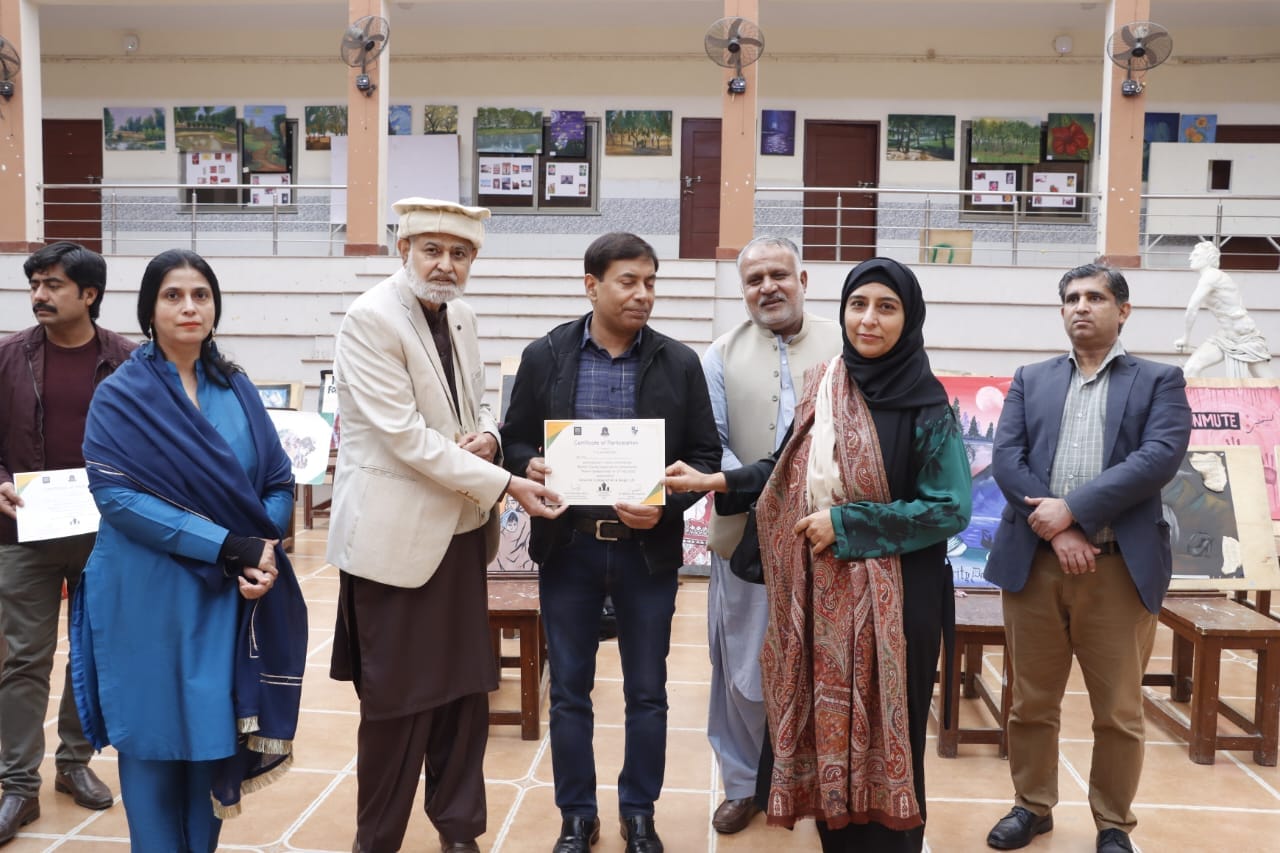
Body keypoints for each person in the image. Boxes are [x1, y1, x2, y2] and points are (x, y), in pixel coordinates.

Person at [666, 257, 972, 853]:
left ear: (909, 319)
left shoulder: (927, 405)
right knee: (829, 733)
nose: (868, 320)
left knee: (891, 737)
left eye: (886, 308)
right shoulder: (826, 385)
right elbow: (781, 469)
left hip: (899, 606)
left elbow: (949, 509)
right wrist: (715, 482)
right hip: (822, 603)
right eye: (858, 305)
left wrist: (848, 523)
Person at [327, 198, 564, 853]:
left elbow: (474, 405)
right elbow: (405, 437)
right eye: (432, 250)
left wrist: (491, 437)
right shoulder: (370, 319)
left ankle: (459, 832)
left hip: (459, 534)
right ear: (404, 250)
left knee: (464, 695)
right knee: (396, 704)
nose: (446, 265)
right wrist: (506, 481)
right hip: (393, 543)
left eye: (460, 253)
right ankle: (377, 839)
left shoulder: (461, 315)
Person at [70, 249, 308, 851]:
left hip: (221, 596)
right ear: (149, 309)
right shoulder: (122, 394)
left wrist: (262, 551)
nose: (189, 307)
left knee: (209, 734)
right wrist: (230, 546)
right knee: (152, 737)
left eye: (201, 295)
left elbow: (278, 481)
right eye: (172, 295)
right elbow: (116, 497)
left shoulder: (237, 388)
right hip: (144, 591)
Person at [500, 232, 721, 853]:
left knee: (647, 692)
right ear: (591, 285)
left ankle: (639, 812)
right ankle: (576, 814)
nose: (643, 294)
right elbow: (514, 439)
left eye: (651, 282)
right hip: (567, 548)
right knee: (570, 691)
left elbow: (704, 456)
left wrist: (665, 507)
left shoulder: (679, 363)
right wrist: (528, 463)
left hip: (645, 553)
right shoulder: (545, 355)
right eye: (628, 281)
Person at [984, 263, 1191, 853]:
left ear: (1122, 310)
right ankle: (1031, 806)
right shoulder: (1032, 379)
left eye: (1095, 297)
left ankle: (1113, 822)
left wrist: (1072, 511)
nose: (1081, 306)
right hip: (1036, 565)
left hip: (1118, 569)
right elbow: (1008, 459)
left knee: (1119, 709)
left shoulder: (1159, 381)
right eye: (1072, 298)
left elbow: (1157, 458)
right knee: (1030, 702)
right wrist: (1058, 533)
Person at [699, 236, 840, 835]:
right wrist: (765, 493)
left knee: (828, 668)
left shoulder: (845, 342)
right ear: (742, 290)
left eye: (779, 275)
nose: (768, 288)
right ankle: (742, 785)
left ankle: (820, 782)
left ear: (803, 279)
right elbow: (710, 442)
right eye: (754, 279)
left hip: (829, 537)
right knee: (741, 670)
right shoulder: (720, 354)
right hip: (745, 539)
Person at [0, 242, 133, 842]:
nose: (39, 295)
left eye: (53, 284)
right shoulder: (8, 357)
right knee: (24, 659)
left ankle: (74, 763)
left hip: (104, 533)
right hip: (21, 532)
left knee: (92, 653)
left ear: (89, 294)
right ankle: (17, 786)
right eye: (35, 284)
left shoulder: (128, 362)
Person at [1173, 240, 1272, 377]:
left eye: (1195, 255)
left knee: (1268, 382)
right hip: (1224, 336)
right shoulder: (1209, 277)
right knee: (1191, 368)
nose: (1190, 258)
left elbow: (1192, 308)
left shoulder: (1212, 276)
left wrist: (1185, 338)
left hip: (1243, 336)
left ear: (1209, 258)